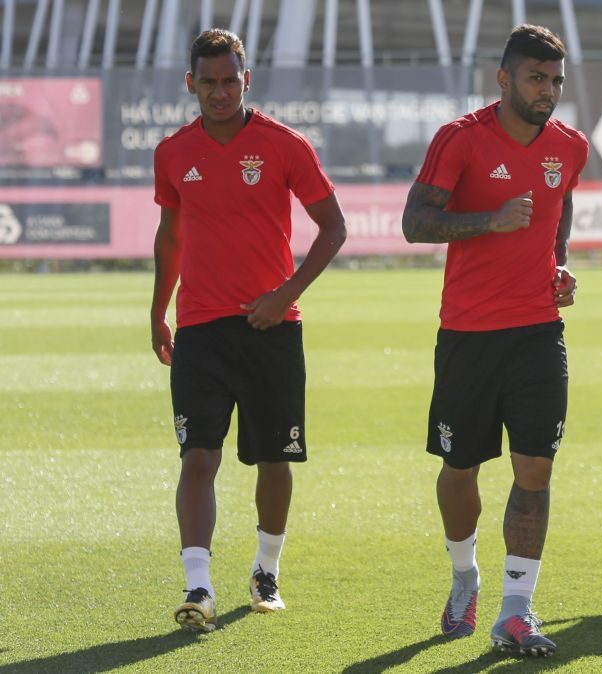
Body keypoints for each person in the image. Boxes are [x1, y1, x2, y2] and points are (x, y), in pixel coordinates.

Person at [150, 29, 346, 632]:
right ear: (190, 83)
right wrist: (159, 309)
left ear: (246, 79)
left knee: (273, 458)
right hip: (202, 330)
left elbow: (333, 227)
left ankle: (266, 570)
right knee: (198, 457)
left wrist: (283, 294)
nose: (218, 91)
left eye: (229, 80)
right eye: (207, 82)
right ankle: (199, 586)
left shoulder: (284, 145)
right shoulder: (173, 152)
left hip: (272, 329)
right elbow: (171, 235)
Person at [402, 24, 588, 657]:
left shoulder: (571, 146)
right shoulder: (459, 139)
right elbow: (415, 222)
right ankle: (464, 573)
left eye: (557, 80)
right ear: (504, 78)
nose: (549, 90)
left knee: (535, 467)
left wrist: (557, 263)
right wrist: (490, 220)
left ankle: (515, 609)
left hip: (538, 332)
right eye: (537, 78)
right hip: (468, 336)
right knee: (460, 468)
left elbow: (558, 206)